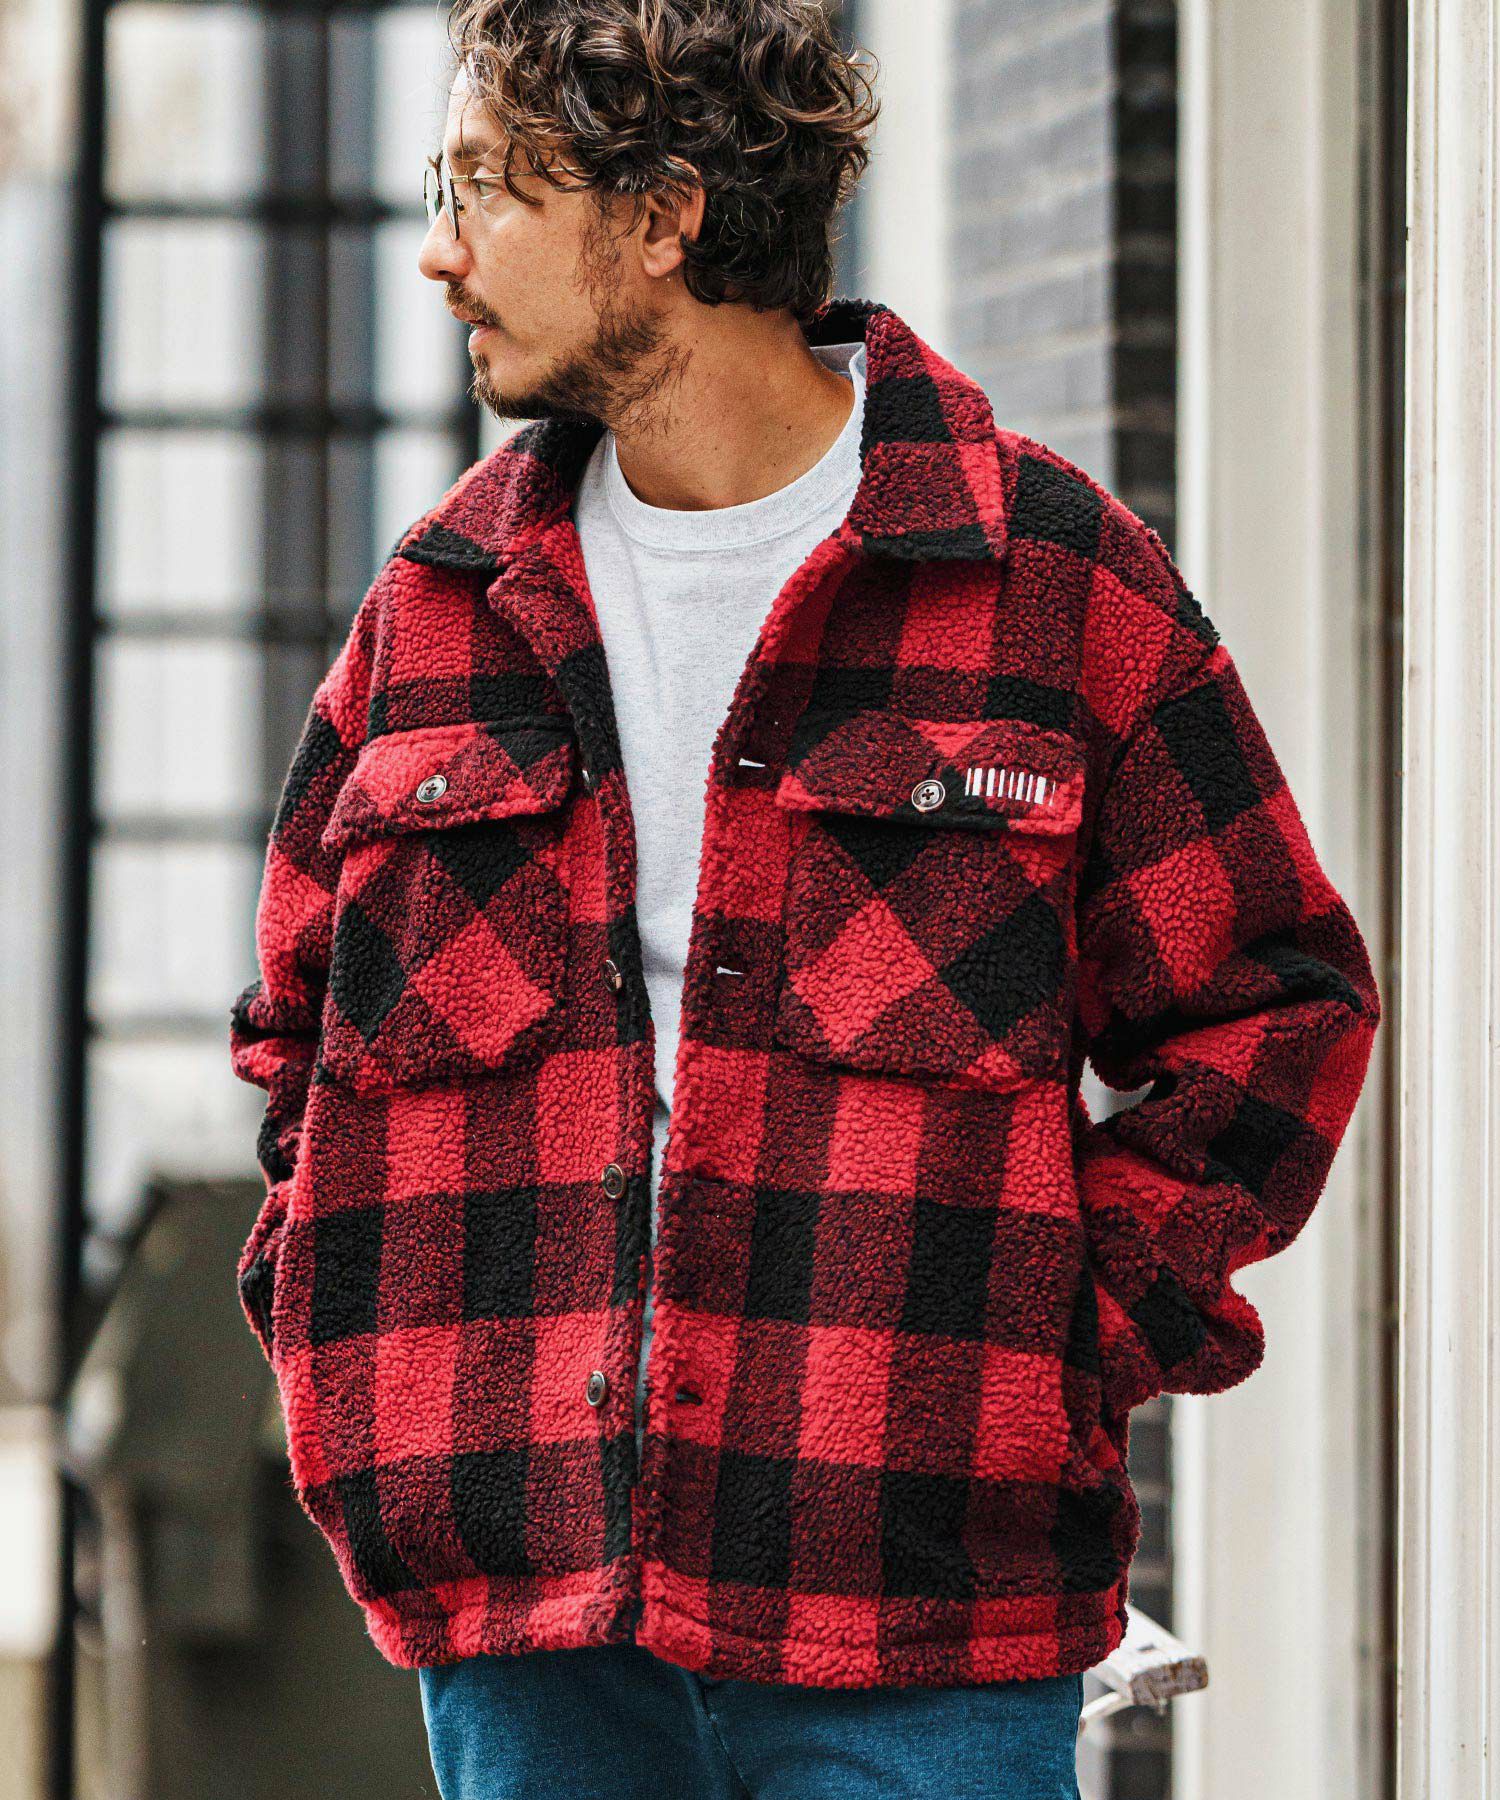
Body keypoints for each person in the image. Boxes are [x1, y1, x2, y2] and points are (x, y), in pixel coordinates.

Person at [228, 3, 1382, 1796]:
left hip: (918, 1620)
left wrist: (1054, 1347)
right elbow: (301, 1039)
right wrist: (352, 1337)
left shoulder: (1044, 579)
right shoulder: (437, 608)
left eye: (482, 190)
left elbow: (1275, 1003)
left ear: (662, 215)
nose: (440, 253)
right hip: (529, 1624)